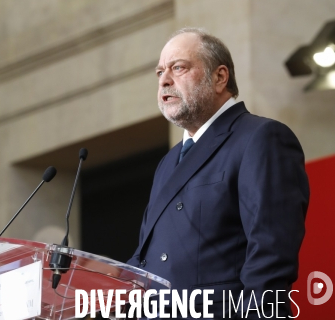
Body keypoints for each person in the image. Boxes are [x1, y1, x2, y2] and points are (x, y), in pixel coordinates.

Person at [127, 28, 309, 319]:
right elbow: (146, 256)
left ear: (219, 77)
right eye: (160, 72)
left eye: (178, 68)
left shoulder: (260, 137)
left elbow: (270, 256)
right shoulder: (168, 162)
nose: (164, 80)